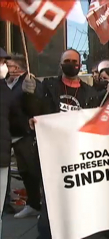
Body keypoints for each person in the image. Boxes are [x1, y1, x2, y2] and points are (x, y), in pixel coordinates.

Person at [21, 48, 102, 239]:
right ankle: (48, 233)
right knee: (51, 195)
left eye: (75, 61)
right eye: (67, 61)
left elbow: (97, 116)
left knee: (77, 194)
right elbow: (34, 111)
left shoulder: (89, 92)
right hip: (52, 151)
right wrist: (28, 95)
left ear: (80, 65)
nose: (72, 64)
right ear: (61, 64)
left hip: (78, 151)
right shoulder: (47, 86)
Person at [6, 55, 42, 218]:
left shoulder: (29, 83)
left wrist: (30, 95)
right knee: (23, 171)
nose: (7, 68)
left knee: (32, 171)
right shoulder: (7, 84)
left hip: (26, 135)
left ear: (20, 68)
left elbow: (36, 107)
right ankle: (32, 203)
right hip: (11, 134)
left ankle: (38, 204)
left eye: (11, 66)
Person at [0, 47, 13, 239]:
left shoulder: (3, 87)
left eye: (3, 63)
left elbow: (15, 115)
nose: (3, 66)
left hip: (1, 155)